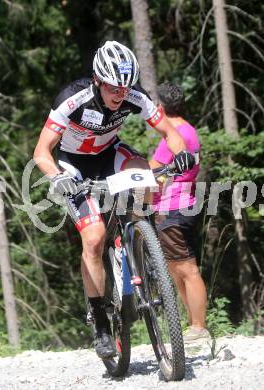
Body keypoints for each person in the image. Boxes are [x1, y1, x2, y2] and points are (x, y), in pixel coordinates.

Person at [33, 41, 195, 358]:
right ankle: (100, 323)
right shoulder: (72, 98)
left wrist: (182, 154)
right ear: (97, 80)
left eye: (125, 88)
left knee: (145, 177)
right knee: (93, 239)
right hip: (73, 165)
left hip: (110, 156)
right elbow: (41, 152)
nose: (120, 95)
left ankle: (140, 241)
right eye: (113, 89)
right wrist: (57, 176)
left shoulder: (134, 95)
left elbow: (170, 132)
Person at [149, 81, 210, 343]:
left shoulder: (172, 135)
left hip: (172, 207)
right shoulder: (190, 130)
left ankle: (198, 327)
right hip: (183, 205)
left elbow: (150, 171)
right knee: (177, 269)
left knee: (186, 269)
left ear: (160, 107)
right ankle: (194, 325)